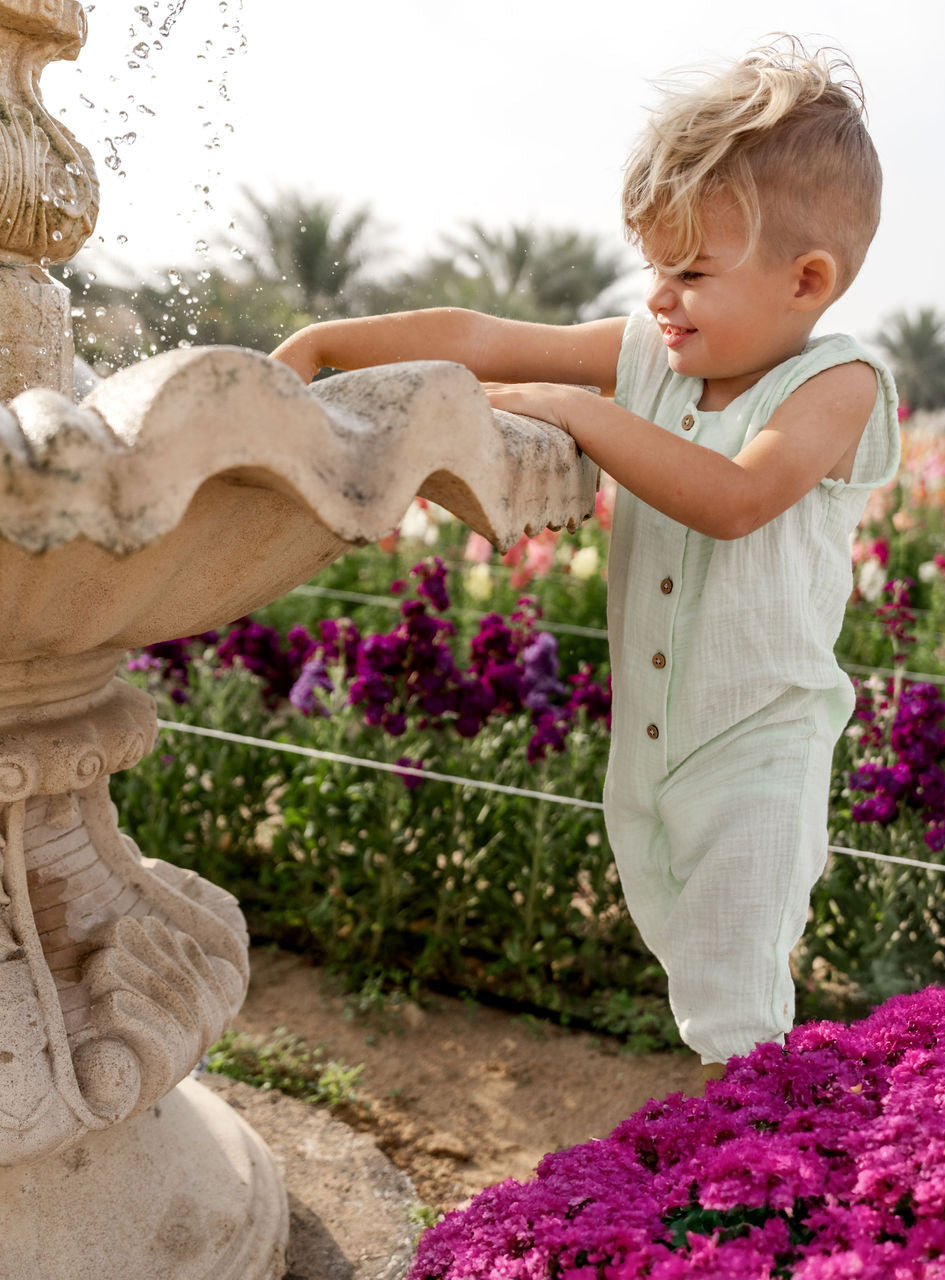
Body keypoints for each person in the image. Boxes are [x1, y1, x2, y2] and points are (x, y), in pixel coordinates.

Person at [270, 37, 900, 1087]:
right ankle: (748, 1142)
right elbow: (486, 335)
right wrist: (333, 341)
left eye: (691, 272)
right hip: (648, 746)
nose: (660, 296)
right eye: (655, 266)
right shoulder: (652, 355)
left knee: (740, 1001)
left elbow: (735, 499)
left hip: (760, 746)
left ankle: (762, 1165)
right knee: (695, 976)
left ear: (806, 280)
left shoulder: (838, 385)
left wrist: (577, 411)